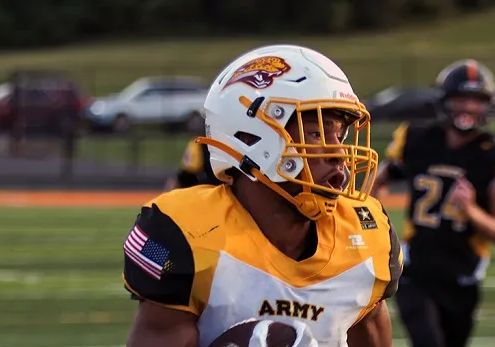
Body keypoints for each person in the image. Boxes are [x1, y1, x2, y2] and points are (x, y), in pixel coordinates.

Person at [122, 44, 403, 347]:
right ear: (249, 136)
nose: (338, 152)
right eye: (315, 133)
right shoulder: (183, 234)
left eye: (339, 135)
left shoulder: (367, 235)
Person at [371, 59, 495, 347]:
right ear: (445, 101)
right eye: (460, 99)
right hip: (416, 270)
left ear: (488, 104)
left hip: (462, 276)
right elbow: (378, 182)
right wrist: (378, 231)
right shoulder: (417, 138)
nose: (467, 108)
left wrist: (471, 210)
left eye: (475, 100)